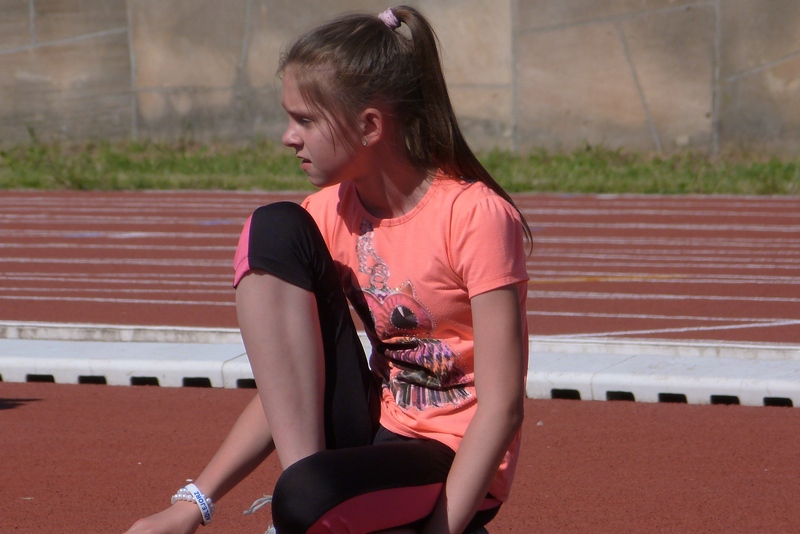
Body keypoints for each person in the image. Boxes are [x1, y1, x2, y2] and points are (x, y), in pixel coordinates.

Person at [125, 5, 530, 533]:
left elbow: (502, 408)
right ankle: (307, 502)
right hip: (373, 429)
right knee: (273, 228)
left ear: (369, 126)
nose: (288, 137)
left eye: (306, 120)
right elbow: (290, 385)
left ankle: (314, 506)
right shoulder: (324, 214)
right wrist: (192, 504)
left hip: (456, 458)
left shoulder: (473, 215)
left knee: (306, 497)